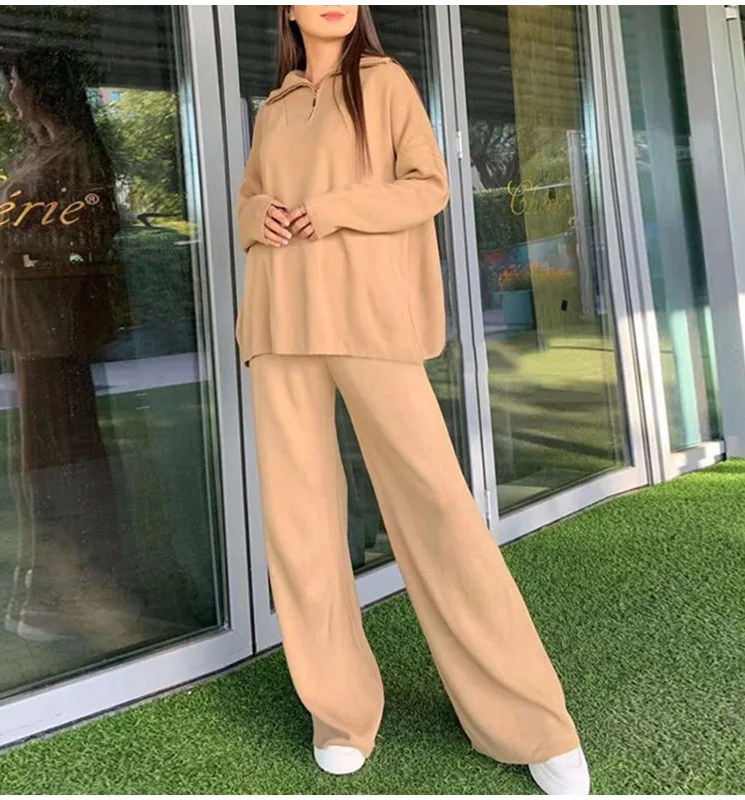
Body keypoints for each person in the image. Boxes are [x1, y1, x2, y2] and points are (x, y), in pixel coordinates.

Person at [236, 6, 590, 794]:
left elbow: (428, 186)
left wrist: (332, 210)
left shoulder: (384, 82)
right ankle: (340, 712)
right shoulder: (275, 107)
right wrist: (260, 214)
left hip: (365, 319)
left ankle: (528, 720)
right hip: (278, 323)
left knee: (436, 508)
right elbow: (248, 202)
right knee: (300, 525)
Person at [0, 47, 141, 650]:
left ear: (37, 88)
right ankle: (56, 585)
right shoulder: (40, 151)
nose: (8, 95)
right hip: (30, 324)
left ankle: (71, 590)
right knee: (43, 453)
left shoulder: (75, 153)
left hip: (54, 326)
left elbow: (91, 235)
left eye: (13, 83)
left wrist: (12, 235)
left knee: (56, 452)